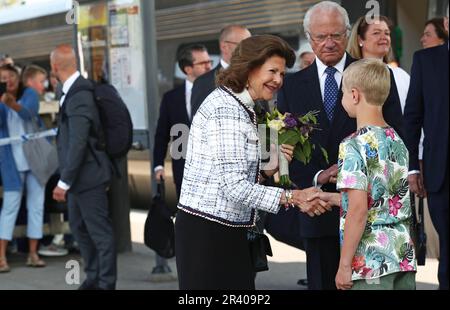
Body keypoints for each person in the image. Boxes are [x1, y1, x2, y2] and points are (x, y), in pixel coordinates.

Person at [175, 34, 326, 290]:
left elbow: (237, 178)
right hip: (208, 236)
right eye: (272, 71)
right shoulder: (227, 110)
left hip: (225, 231)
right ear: (249, 67)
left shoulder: (243, 105)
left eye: (282, 73)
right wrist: (293, 198)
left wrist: (267, 170)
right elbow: (233, 187)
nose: (278, 80)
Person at [276, 1, 404, 290]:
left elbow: (395, 135)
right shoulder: (291, 86)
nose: (329, 43)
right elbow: (284, 150)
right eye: (321, 37)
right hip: (317, 208)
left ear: (348, 33)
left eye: (336, 35)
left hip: (372, 221)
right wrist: (314, 179)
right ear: (309, 38)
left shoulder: (376, 76)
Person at [310, 59, 417, 290]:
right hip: (402, 255)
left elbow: (359, 210)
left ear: (355, 95)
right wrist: (334, 199)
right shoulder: (396, 140)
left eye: (343, 94)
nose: (342, 100)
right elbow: (384, 199)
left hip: (370, 261)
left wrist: (344, 265)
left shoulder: (352, 145)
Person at [50, 44, 116, 290]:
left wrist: (63, 182)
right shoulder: (70, 91)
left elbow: (78, 141)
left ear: (55, 66)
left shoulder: (79, 94)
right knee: (79, 228)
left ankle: (106, 284)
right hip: (80, 178)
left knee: (99, 233)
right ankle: (94, 277)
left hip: (88, 177)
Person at [151, 44, 212, 281]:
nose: (209, 66)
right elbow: (161, 134)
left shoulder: (218, 91)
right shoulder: (171, 98)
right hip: (183, 169)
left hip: (213, 169)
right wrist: (158, 165)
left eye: (209, 61)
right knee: (189, 220)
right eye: (204, 63)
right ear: (188, 69)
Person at [403, 8, 449, 290]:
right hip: (440, 173)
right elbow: (412, 118)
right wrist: (411, 166)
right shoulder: (425, 60)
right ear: (446, 23)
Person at [0, 64, 47, 272]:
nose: (8, 81)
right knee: (10, 206)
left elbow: (29, 114)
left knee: (36, 205)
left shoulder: (29, 94)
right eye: (3, 79)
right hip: (11, 160)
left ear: (18, 78)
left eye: (11, 77)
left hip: (34, 158)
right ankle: (1, 257)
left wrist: (12, 104)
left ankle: (33, 253)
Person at [347, 15, 410, 113]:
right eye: (376, 33)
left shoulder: (401, 75)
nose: (384, 37)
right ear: (360, 40)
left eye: (387, 33)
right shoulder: (348, 74)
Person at [190, 25, 251, 117]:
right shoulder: (203, 83)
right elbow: (198, 126)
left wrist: (270, 132)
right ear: (224, 47)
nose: (250, 50)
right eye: (244, 45)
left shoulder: (255, 77)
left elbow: (265, 121)